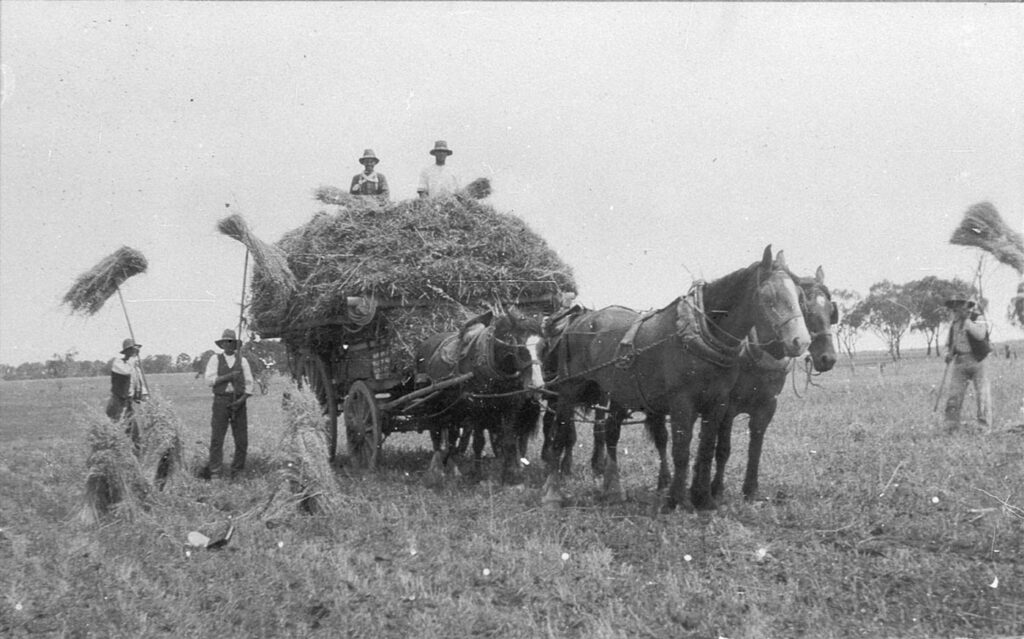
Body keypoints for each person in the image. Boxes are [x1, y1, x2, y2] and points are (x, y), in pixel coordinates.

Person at [203, 328, 254, 479]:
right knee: (217, 438)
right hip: (221, 401)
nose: (228, 345)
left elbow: (250, 384)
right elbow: (209, 380)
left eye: (231, 342)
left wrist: (241, 400)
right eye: (226, 342)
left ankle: (237, 470)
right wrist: (229, 376)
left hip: (238, 401)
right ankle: (215, 472)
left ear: (235, 345)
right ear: (222, 344)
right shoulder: (215, 359)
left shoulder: (242, 360)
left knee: (241, 439)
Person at [943, 297, 992, 431]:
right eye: (954, 307)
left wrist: (967, 321)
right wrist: (948, 354)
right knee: (954, 395)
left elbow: (980, 335)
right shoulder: (954, 324)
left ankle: (984, 427)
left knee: (982, 394)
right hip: (960, 361)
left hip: (978, 360)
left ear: (966, 307)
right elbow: (949, 344)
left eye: (959, 306)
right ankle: (951, 427)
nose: (956, 309)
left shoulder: (978, 317)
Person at [106, 337, 148, 422]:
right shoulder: (118, 363)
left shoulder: (136, 367)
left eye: (134, 350)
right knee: (117, 427)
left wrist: (144, 396)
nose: (134, 352)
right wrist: (132, 357)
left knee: (133, 431)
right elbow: (126, 371)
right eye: (132, 350)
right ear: (126, 351)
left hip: (129, 402)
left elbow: (139, 384)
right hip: (118, 402)